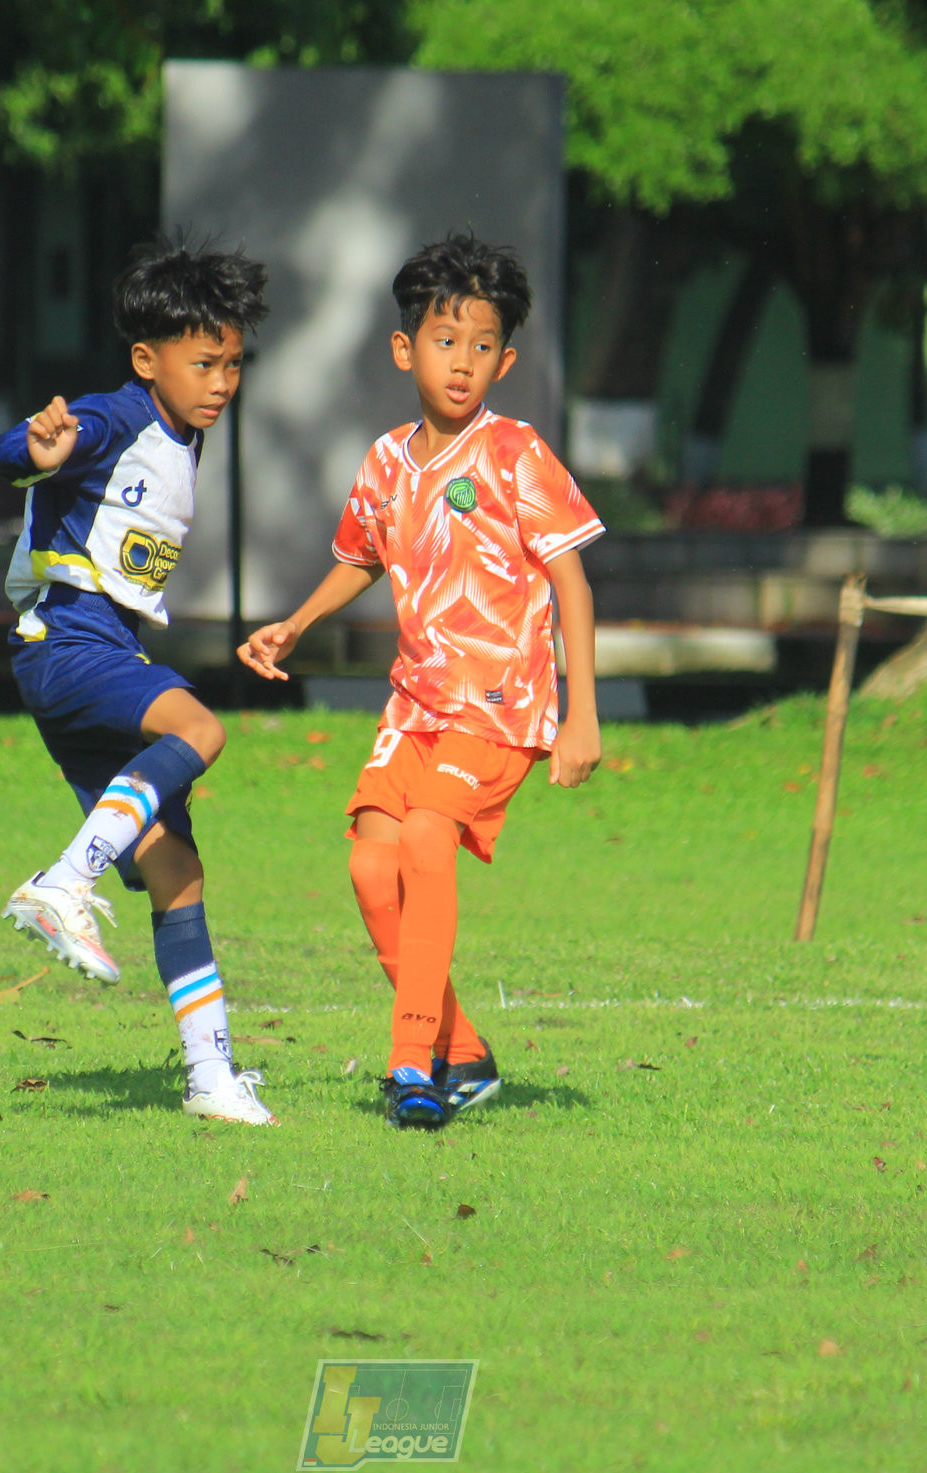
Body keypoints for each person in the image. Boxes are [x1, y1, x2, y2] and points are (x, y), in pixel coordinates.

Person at [238, 233, 605, 1129]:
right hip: (414, 704)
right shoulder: (384, 461)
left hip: (499, 706)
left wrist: (581, 715)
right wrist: (296, 622)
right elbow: (360, 557)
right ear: (406, 350)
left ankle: (411, 1061)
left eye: (482, 345)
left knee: (428, 837)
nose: (462, 362)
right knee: (370, 864)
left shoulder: (515, 453)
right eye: (445, 341)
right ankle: (464, 1049)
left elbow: (571, 582)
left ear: (504, 361)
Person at [0, 242, 276, 1127]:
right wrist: (37, 444)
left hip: (98, 645)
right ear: (147, 360)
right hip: (68, 637)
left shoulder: (185, 435)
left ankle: (210, 1076)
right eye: (204, 363)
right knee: (200, 730)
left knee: (176, 872)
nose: (221, 382)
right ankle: (63, 882)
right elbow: (28, 446)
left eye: (233, 364)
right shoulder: (117, 417)